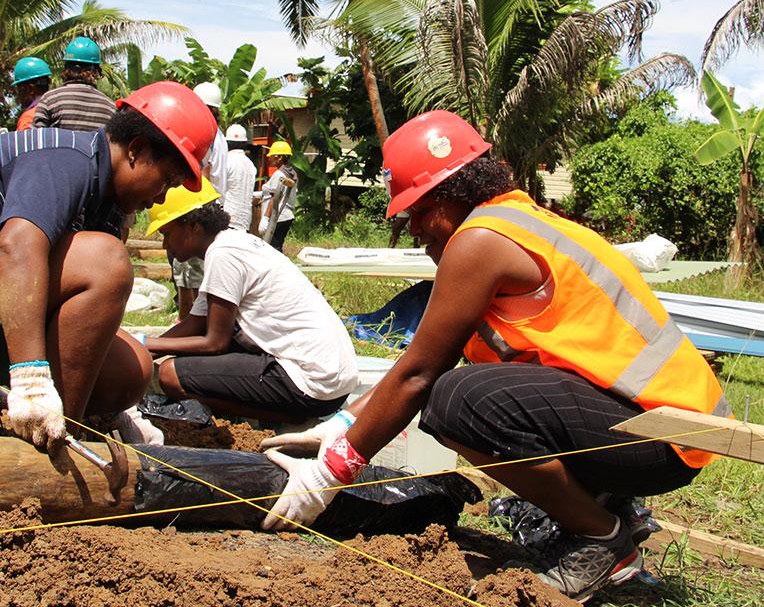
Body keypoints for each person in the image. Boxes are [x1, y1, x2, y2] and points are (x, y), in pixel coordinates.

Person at [259, 110, 731, 601]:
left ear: (450, 193)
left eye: (418, 211)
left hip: (660, 436)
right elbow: (417, 362)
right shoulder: (516, 220)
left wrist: (329, 475)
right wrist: (339, 425)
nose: (415, 229)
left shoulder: (481, 240)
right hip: (668, 430)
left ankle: (601, 538)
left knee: (457, 401)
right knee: (476, 390)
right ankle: (615, 509)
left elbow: (421, 374)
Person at [0, 81, 217, 452]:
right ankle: (45, 439)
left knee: (131, 367)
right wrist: (31, 380)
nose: (162, 196)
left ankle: (62, 424)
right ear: (136, 150)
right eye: (166, 179)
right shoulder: (66, 158)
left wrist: (122, 412)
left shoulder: (107, 200)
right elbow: (16, 245)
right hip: (11, 285)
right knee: (106, 262)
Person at [142, 182, 358, 425]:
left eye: (167, 234)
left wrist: (145, 342)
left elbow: (215, 342)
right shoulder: (234, 242)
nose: (164, 245)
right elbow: (195, 322)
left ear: (193, 226)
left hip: (311, 383)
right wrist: (144, 349)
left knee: (171, 374)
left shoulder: (223, 254)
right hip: (334, 382)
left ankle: (288, 418)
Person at [171, 82, 229, 320]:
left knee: (189, 277)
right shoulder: (220, 136)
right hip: (212, 210)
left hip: (197, 210)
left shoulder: (204, 133)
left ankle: (187, 325)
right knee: (197, 276)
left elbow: (202, 174)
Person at [33, 37, 115, 131]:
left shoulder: (49, 99)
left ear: (66, 68)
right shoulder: (110, 107)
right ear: (96, 71)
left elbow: (35, 140)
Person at [259, 140, 298, 253]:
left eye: (272, 156)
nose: (269, 158)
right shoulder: (291, 172)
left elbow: (274, 197)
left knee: (273, 251)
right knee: (276, 248)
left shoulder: (279, 174)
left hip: (277, 217)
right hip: (286, 216)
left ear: (279, 157)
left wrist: (266, 218)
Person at [223, 124, 257, 231]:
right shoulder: (251, 165)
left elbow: (219, 189)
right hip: (245, 221)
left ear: (227, 143)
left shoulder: (226, 161)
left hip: (228, 220)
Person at [11, 57, 52, 131]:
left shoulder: (29, 118)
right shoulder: (56, 110)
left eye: (19, 89)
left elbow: (23, 142)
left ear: (30, 89)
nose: (18, 94)